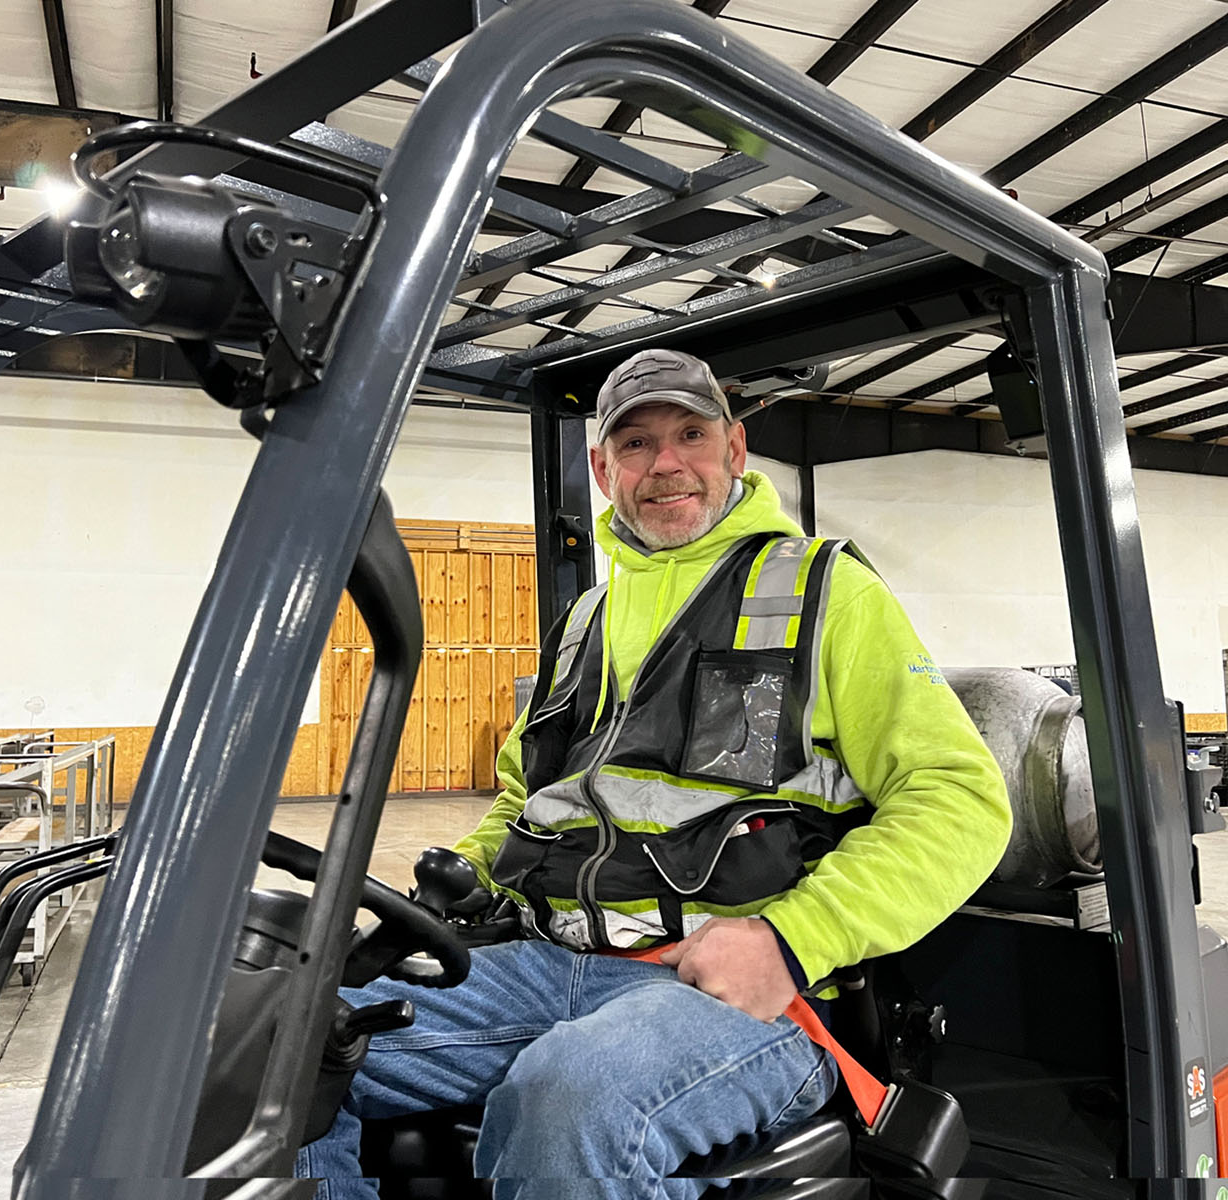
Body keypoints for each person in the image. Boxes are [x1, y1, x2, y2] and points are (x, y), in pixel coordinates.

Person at [297, 348, 1012, 1198]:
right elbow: (530, 801)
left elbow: (961, 801)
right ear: (603, 470)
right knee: (278, 1039)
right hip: (540, 957)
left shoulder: (829, 594)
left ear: (735, 451)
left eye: (690, 434)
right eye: (635, 444)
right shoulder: (584, 622)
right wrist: (442, 897)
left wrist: (791, 941)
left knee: (570, 1095)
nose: (665, 463)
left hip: (725, 989)